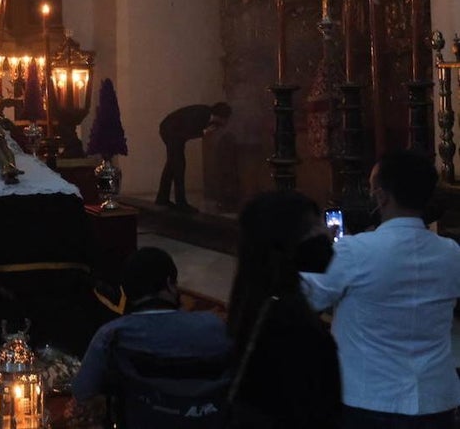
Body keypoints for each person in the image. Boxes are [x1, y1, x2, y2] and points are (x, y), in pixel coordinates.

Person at [302, 150, 460, 428]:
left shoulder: (354, 251)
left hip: (370, 398)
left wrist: (316, 249)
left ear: (382, 196)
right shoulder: (451, 253)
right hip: (437, 398)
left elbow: (307, 297)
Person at [69, 247, 231, 421]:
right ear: (169, 283)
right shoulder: (215, 326)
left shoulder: (112, 334)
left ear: (127, 291)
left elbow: (82, 391)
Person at [227, 190, 341, 428]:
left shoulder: (254, 298)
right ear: (285, 243)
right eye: (313, 228)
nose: (326, 235)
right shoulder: (289, 321)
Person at [155, 102, 231, 211]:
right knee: (178, 166)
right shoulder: (202, 114)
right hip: (171, 131)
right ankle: (180, 203)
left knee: (172, 165)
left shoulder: (205, 113)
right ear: (222, 117)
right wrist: (204, 132)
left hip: (173, 131)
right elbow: (187, 131)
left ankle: (162, 198)